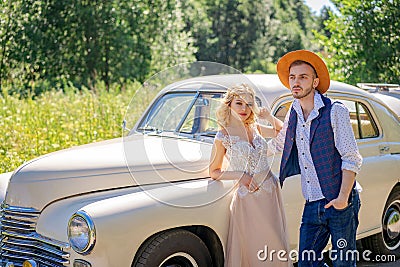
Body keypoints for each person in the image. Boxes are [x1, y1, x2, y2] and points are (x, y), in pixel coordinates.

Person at [269, 50, 363, 266]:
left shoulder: (335, 111)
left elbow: (351, 158)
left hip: (339, 201)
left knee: (343, 263)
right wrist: (247, 137)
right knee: (306, 263)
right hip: (312, 202)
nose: (296, 82)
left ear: (315, 81)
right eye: (292, 77)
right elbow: (280, 143)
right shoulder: (293, 110)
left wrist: (342, 199)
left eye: (303, 77)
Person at [209, 83, 291, 267]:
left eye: (248, 104)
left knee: (275, 245)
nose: (244, 109)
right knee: (254, 248)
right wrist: (241, 176)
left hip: (271, 193)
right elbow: (214, 171)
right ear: (229, 104)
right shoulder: (223, 136)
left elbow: (283, 132)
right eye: (239, 103)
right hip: (249, 198)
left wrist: (269, 117)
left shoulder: (255, 128)